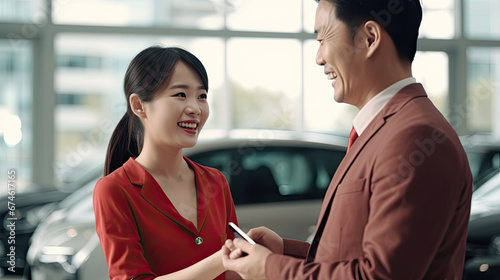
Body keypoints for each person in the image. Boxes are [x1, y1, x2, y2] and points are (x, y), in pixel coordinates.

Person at [221, 0, 473, 279]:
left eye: (322, 39)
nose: (319, 58)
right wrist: (283, 251)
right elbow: (358, 256)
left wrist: (268, 268)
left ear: (369, 38)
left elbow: (379, 275)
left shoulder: (415, 136)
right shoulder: (385, 129)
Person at [93, 45, 239, 280]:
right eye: (180, 94)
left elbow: (232, 271)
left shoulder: (216, 181)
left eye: (202, 96)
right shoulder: (115, 190)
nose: (195, 108)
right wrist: (218, 261)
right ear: (139, 105)